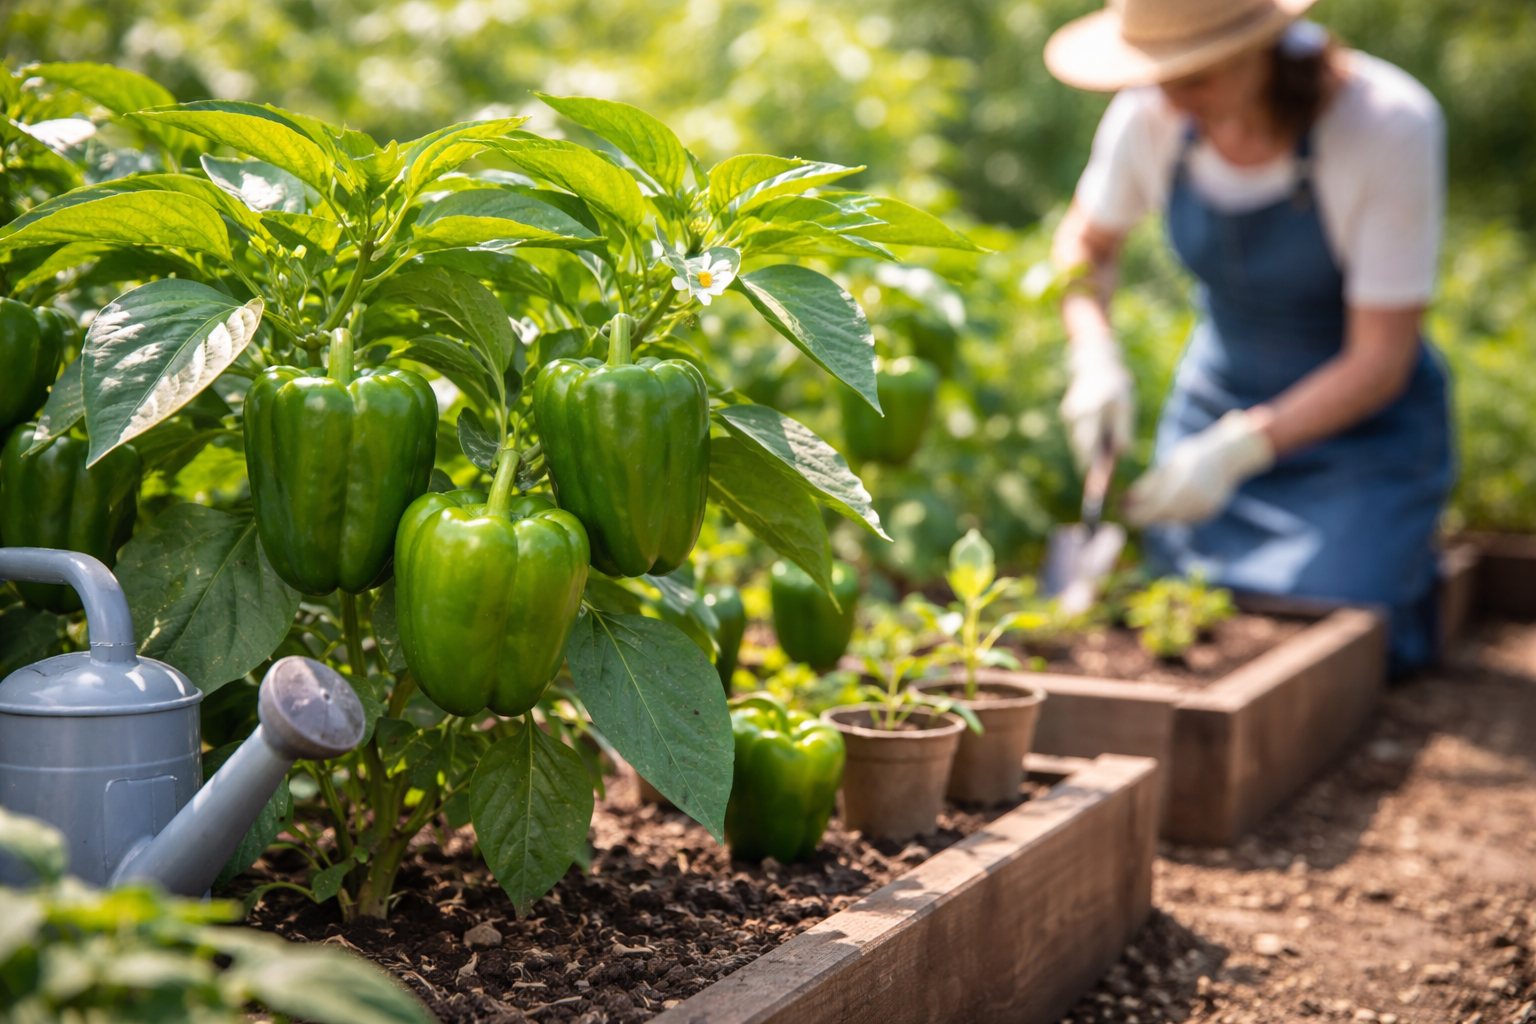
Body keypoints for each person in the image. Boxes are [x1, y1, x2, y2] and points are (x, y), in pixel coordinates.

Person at [1045, 0, 1452, 673]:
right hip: (1215, 397)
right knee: (1182, 613)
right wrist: (1092, 352)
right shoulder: (1150, 113)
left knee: (1330, 627)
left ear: (1258, 47)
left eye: (1193, 76)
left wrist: (1238, 450)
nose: (1171, 99)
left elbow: (1383, 358)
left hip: (1359, 437)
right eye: (1157, 75)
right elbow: (1085, 246)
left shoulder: (1385, 124)